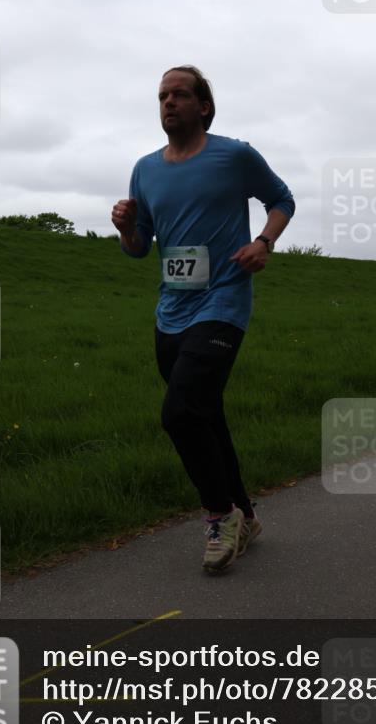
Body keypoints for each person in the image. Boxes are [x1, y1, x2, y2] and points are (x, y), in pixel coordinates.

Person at [111, 66, 295, 573]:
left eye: (180, 95)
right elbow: (138, 248)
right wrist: (126, 228)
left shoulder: (234, 155)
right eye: (163, 96)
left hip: (224, 302)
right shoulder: (145, 169)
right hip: (171, 311)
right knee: (205, 416)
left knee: (179, 414)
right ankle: (248, 516)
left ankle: (220, 515)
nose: (168, 102)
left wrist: (263, 242)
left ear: (204, 106)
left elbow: (282, 199)